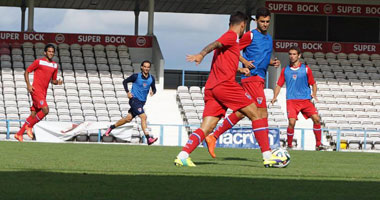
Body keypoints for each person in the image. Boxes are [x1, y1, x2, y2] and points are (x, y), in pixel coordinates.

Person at [174, 11, 286, 168]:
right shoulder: (232, 36)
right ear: (242, 25)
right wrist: (201, 54)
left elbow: (226, 62)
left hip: (212, 87)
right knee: (257, 114)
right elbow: (215, 44)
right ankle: (267, 156)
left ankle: (183, 155)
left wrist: (240, 69)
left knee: (207, 126)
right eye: (244, 27)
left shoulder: (232, 43)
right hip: (225, 85)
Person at [205, 7, 281, 158]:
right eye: (262, 21)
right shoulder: (250, 35)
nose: (265, 24)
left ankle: (213, 136)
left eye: (267, 22)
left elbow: (261, 57)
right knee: (261, 113)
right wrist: (244, 62)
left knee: (241, 112)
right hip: (251, 78)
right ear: (256, 21)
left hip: (260, 78)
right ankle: (267, 152)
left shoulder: (269, 38)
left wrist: (270, 62)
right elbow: (233, 49)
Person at [270, 46, 326, 151]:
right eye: (290, 54)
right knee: (291, 123)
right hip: (291, 100)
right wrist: (274, 97)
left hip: (305, 100)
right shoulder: (285, 70)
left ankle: (318, 144)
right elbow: (279, 85)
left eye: (294, 54)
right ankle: (289, 145)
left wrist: (314, 93)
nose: (292, 56)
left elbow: (313, 84)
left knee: (317, 119)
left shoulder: (305, 69)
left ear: (299, 55)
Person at [15, 43, 63, 142]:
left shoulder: (54, 65)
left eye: (52, 52)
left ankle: (19, 134)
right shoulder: (39, 62)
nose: (51, 53)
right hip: (36, 90)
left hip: (43, 92)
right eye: (49, 51)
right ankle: (30, 126)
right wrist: (28, 85)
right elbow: (27, 71)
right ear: (45, 52)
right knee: (45, 110)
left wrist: (57, 82)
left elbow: (53, 81)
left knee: (33, 114)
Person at [104, 60, 158, 145]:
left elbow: (154, 88)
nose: (146, 68)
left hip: (142, 102)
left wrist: (153, 92)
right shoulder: (136, 76)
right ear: (142, 67)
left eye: (148, 67)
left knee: (128, 119)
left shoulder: (151, 78)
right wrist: (128, 92)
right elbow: (124, 81)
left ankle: (111, 127)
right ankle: (149, 138)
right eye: (145, 67)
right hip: (134, 100)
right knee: (143, 117)